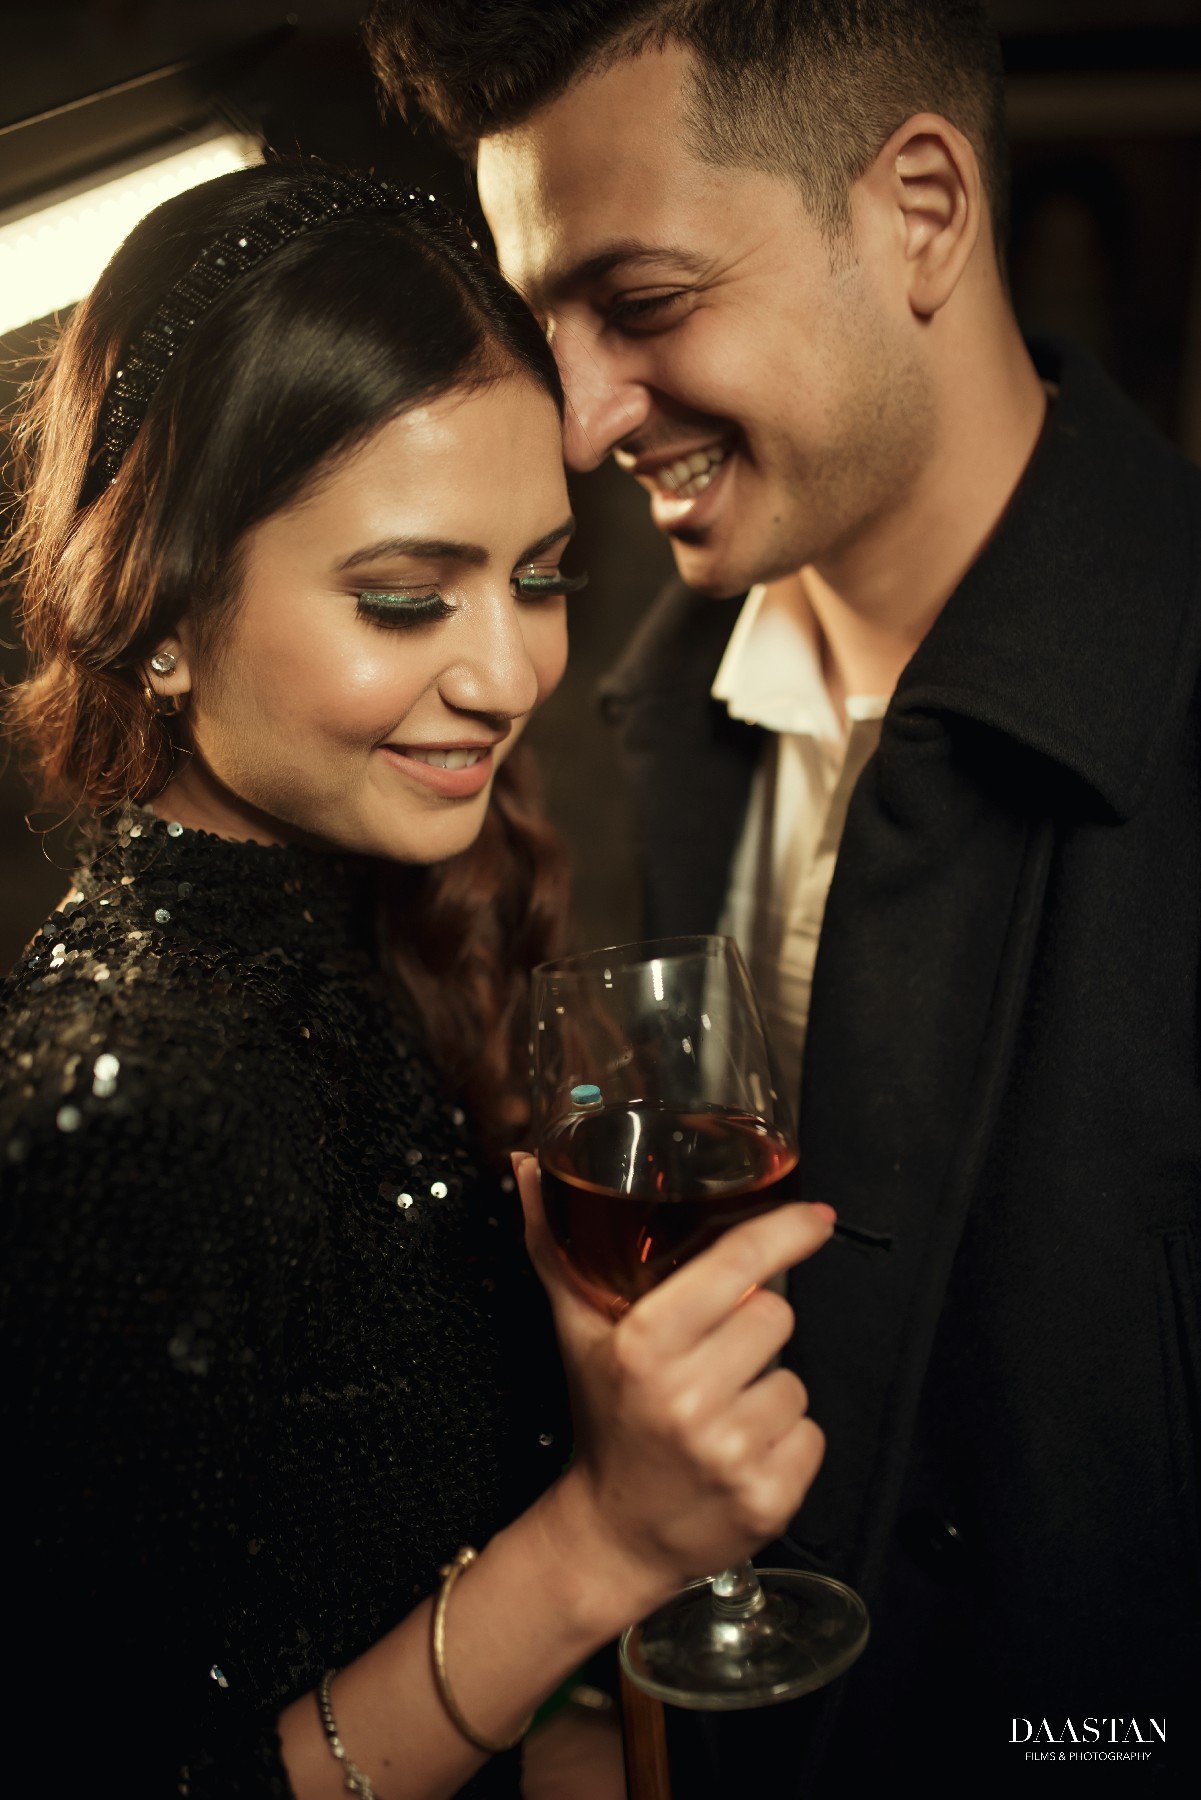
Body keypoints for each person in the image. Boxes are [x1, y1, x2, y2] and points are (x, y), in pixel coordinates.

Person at [367, 1, 1201, 1785]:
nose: (581, 423)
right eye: (550, 332)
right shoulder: (609, 706)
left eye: (646, 305)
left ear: (916, 211)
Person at [0, 159, 837, 1797]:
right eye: (403, 598)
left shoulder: (344, 931)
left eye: (537, 575)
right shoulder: (109, 1109)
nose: (510, 668)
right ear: (159, 612)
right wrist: (600, 1544)